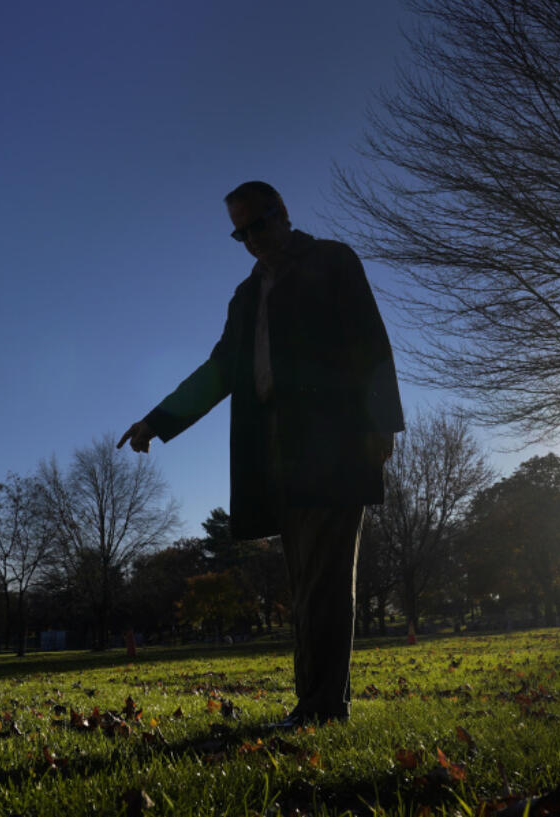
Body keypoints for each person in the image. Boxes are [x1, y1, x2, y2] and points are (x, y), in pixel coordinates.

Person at [118, 181, 404, 726]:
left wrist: (382, 423)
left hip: (337, 443)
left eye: (259, 225)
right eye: (240, 232)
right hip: (277, 453)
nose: (252, 239)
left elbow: (371, 341)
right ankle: (318, 705)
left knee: (324, 580)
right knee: (306, 586)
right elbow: (222, 370)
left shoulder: (332, 260)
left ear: (283, 213)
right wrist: (158, 420)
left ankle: (321, 708)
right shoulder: (245, 297)